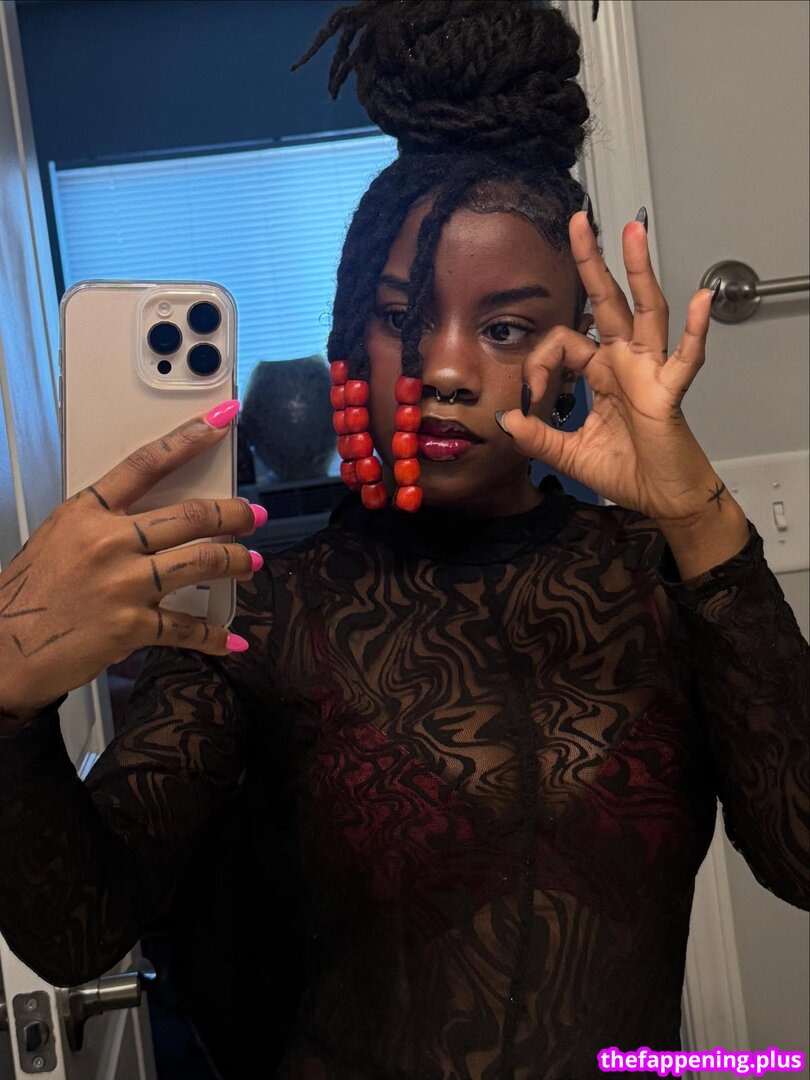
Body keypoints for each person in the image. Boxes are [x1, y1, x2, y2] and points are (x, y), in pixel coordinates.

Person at [0, 2, 807, 1077]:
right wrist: (7, 699)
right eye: (403, 316)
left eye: (506, 327)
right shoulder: (259, 612)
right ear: (349, 334)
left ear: (573, 352)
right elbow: (77, 930)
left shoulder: (663, 579)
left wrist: (699, 516)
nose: (447, 367)